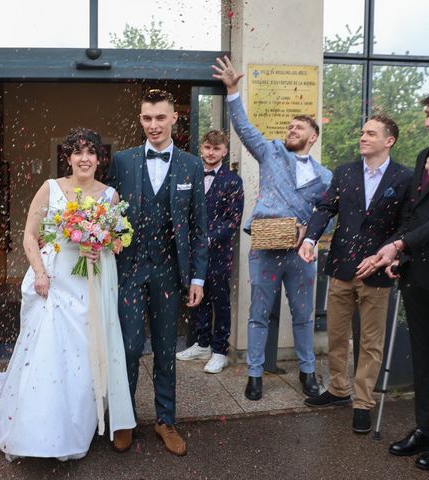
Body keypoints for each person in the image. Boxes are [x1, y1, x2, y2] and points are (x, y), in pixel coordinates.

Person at [0, 128, 135, 461]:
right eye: (77, 152)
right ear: (67, 157)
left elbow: (117, 242)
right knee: (48, 354)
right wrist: (39, 273)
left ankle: (75, 427)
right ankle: (38, 429)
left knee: (82, 355)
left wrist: (101, 248)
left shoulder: (109, 196)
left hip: (88, 286)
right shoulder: (51, 188)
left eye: (90, 152)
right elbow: (29, 235)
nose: (84, 158)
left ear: (99, 158)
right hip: (53, 281)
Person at [211, 55, 332, 401]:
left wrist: (310, 233)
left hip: (301, 254)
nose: (291, 131)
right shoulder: (271, 153)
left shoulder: (326, 178)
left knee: (303, 315)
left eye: (299, 128)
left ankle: (308, 372)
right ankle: (254, 375)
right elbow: (245, 128)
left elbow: (331, 214)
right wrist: (233, 90)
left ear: (312, 136)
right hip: (264, 248)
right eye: (290, 127)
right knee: (258, 313)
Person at [107, 89, 208, 456]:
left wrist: (197, 277)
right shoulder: (122, 161)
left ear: (173, 119)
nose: (153, 125)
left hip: (169, 272)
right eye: (147, 118)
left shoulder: (191, 166)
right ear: (141, 120)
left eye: (160, 118)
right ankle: (125, 418)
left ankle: (166, 420)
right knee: (130, 348)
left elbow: (199, 227)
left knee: (166, 350)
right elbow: (110, 214)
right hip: (130, 270)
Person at [298, 115, 411, 434]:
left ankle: (362, 401)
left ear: (388, 141)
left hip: (377, 272)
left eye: (371, 133)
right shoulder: (345, 173)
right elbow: (325, 208)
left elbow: (406, 224)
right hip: (341, 268)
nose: (362, 137)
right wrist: (310, 238)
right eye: (362, 131)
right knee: (336, 334)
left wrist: (387, 253)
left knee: (371, 342)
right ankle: (337, 389)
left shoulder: (404, 177)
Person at [366, 95, 429, 471]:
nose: (426, 119)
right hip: (418, 273)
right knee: (422, 355)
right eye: (426, 113)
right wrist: (397, 255)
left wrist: (400, 243)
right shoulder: (423, 156)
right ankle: (425, 428)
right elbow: (412, 213)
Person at [176, 130, 244, 374]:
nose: (211, 152)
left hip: (218, 253)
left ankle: (220, 351)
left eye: (216, 149)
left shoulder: (233, 181)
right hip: (192, 252)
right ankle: (202, 343)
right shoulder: (191, 175)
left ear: (225, 151)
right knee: (198, 296)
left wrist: (206, 239)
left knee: (220, 301)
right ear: (201, 149)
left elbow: (233, 220)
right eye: (207, 147)